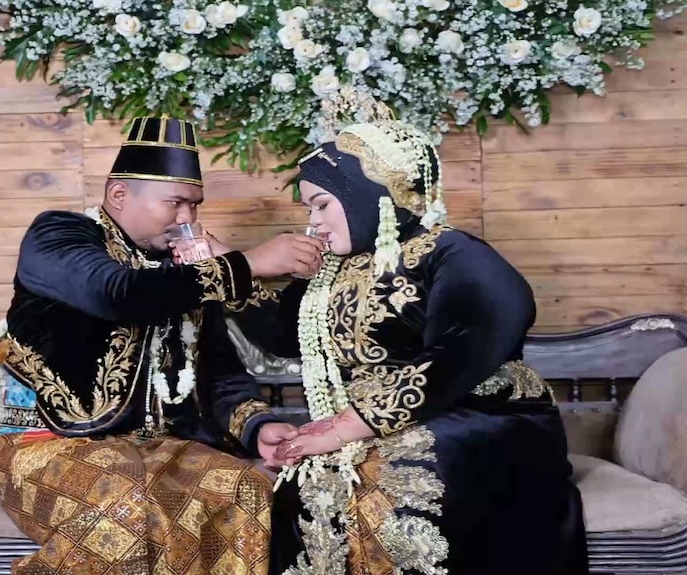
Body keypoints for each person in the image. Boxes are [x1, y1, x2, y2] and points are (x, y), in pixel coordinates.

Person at [0, 116, 326, 575]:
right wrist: (247, 262)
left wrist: (256, 427)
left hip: (160, 447)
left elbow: (218, 371)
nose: (188, 219)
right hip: (49, 443)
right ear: (119, 195)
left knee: (247, 491)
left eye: (194, 206)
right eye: (176, 203)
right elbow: (114, 293)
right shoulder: (59, 235)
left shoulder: (185, 272)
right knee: (122, 505)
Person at [222, 110, 589, 575]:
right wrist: (238, 271)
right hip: (372, 424)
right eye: (309, 209)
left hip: (483, 415)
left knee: (394, 481)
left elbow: (464, 351)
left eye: (321, 205)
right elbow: (281, 337)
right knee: (314, 480)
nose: (313, 223)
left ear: (368, 196)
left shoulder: (453, 252)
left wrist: (347, 426)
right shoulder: (331, 269)